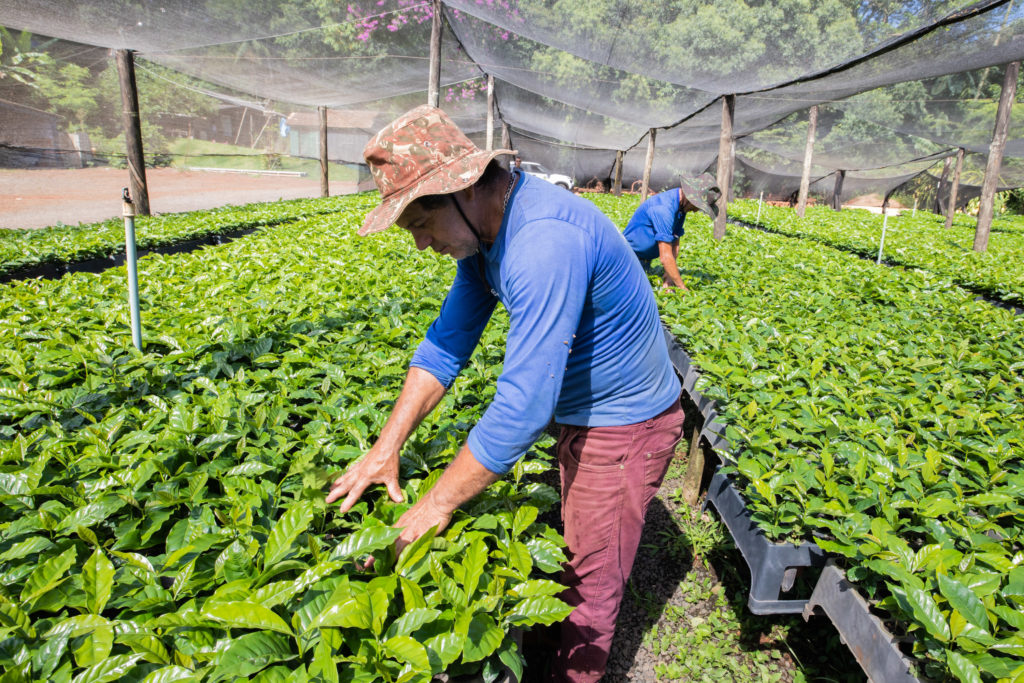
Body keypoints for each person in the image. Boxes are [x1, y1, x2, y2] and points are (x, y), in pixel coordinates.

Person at [325, 105, 685, 683]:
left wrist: (435, 505)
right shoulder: (484, 234)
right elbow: (446, 344)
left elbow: (522, 407)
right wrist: (384, 447)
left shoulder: (543, 242)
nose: (420, 244)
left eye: (420, 224)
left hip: (626, 423)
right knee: (573, 547)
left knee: (589, 587)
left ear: (460, 191)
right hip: (581, 409)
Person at [622, 174, 721, 291]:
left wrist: (669, 276)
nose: (695, 211)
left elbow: (675, 240)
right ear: (689, 197)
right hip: (626, 261)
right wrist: (682, 288)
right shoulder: (664, 209)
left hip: (644, 263)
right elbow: (665, 257)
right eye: (697, 206)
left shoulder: (680, 207)